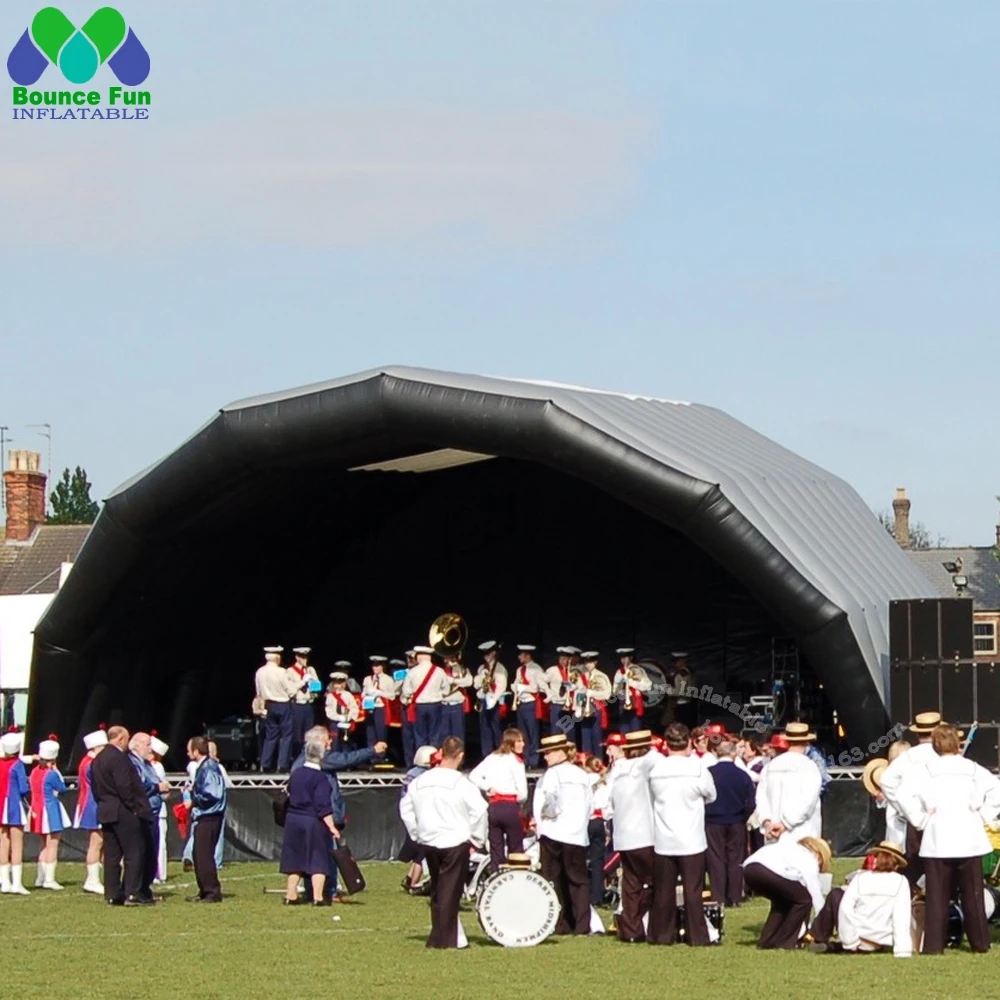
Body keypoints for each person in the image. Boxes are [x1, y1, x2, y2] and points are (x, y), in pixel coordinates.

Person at [898, 722, 1000, 954]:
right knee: (974, 895)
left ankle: (934, 945)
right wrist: (983, 813)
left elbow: (903, 795)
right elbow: (996, 789)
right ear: (958, 743)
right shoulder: (972, 768)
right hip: (969, 839)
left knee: (936, 896)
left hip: (937, 839)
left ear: (935, 745)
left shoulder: (925, 771)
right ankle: (980, 943)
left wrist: (920, 818)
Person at [399, 736, 487, 949]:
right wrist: (476, 838)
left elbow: (406, 809)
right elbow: (479, 811)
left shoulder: (421, 781)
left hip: (429, 839)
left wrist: (417, 834)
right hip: (455, 840)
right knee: (450, 891)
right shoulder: (462, 783)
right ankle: (445, 938)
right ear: (461, 756)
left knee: (439, 889)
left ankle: (445, 935)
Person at [644, 722, 717, 946]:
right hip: (692, 838)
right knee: (693, 892)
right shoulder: (698, 770)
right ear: (688, 744)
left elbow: (651, 799)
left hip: (664, 838)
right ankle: (698, 936)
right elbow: (711, 795)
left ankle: (661, 935)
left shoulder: (656, 771)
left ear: (666, 745)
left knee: (663, 892)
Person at [532, 733, 593, 935]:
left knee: (553, 880)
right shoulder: (582, 775)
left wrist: (546, 815)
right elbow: (589, 805)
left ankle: (559, 923)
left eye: (549, 753)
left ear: (561, 753)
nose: (546, 757)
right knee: (578, 881)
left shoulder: (552, 774)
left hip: (554, 833)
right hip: (577, 834)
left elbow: (549, 801)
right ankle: (582, 924)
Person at [806, 841, 912, 957]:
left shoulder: (860, 878)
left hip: (858, 938)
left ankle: (817, 937)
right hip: (882, 940)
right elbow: (901, 916)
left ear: (876, 859)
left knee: (836, 894)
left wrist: (850, 941)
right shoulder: (901, 882)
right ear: (896, 865)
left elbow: (845, 909)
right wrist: (902, 950)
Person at [877, 710, 944, 886]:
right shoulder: (942, 756)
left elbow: (886, 781)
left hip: (913, 819)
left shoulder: (907, 757)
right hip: (939, 818)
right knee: (938, 867)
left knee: (912, 866)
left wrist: (901, 807)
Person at [90, 725, 153, 906]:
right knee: (134, 851)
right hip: (123, 810)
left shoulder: (98, 759)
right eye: (126, 740)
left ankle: (112, 893)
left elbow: (95, 787)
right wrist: (133, 806)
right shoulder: (118, 758)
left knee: (111, 855)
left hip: (106, 809)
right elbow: (124, 785)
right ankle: (131, 893)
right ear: (120, 739)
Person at [280, 731, 341, 905]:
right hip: (312, 821)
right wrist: (332, 827)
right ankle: (318, 897)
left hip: (293, 819)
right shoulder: (320, 778)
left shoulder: (296, 773)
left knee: (295, 858)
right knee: (318, 858)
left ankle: (290, 895)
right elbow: (323, 806)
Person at [606, 729, 656, 942]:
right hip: (646, 833)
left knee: (631, 885)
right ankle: (652, 924)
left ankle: (630, 929)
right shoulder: (648, 764)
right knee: (657, 881)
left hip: (623, 835)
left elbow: (607, 803)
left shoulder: (618, 769)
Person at [742, 835, 831, 949]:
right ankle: (786, 942)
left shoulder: (791, 849)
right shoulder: (808, 857)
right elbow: (814, 892)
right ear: (818, 854)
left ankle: (767, 942)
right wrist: (823, 920)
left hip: (749, 870)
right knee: (804, 900)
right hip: (765, 869)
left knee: (782, 903)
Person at [469, 727, 528, 872]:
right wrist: (518, 801)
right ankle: (516, 878)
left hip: (494, 808)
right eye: (519, 741)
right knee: (516, 849)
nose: (523, 744)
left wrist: (488, 787)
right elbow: (523, 793)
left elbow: (473, 775)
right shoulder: (516, 762)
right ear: (511, 743)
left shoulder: (492, 757)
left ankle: (495, 878)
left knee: (496, 849)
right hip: (510, 807)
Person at [705, 738, 756, 906]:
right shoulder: (742, 775)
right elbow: (751, 802)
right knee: (736, 859)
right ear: (734, 753)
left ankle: (718, 897)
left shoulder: (708, 773)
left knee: (716, 859)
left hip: (713, 821)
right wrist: (743, 816)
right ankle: (734, 896)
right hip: (736, 821)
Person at [755, 721, 822, 842]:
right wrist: (785, 824)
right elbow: (807, 802)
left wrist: (767, 822)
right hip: (802, 835)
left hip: (773, 834)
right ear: (807, 742)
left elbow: (761, 799)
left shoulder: (769, 767)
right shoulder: (809, 766)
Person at [127, 731, 170, 901]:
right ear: (136, 745)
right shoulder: (134, 763)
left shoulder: (148, 764)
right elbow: (139, 786)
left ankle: (145, 888)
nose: (150, 749)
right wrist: (157, 788)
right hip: (143, 813)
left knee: (152, 852)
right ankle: (138, 889)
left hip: (153, 812)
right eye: (147, 744)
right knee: (142, 852)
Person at [186, 735, 227, 903]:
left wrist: (195, 799)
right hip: (205, 815)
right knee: (198, 854)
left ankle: (212, 891)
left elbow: (213, 793)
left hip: (210, 816)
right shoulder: (204, 766)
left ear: (196, 751)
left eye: (189, 749)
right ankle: (204, 889)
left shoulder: (209, 767)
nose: (187, 753)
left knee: (204, 854)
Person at [29, 736, 70, 890]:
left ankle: (40, 877)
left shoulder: (34, 772)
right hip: (50, 808)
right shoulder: (52, 774)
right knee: (53, 843)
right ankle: (49, 879)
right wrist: (56, 770)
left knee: (43, 845)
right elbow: (62, 788)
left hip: (37, 809)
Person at [399, 745, 437, 894]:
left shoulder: (411, 773)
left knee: (419, 850)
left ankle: (410, 878)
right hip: (421, 815)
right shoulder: (425, 776)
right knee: (423, 851)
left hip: (409, 814)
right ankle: (413, 882)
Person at [74, 726, 108, 895]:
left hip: (90, 803)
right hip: (92, 805)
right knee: (96, 842)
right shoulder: (90, 764)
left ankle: (96, 878)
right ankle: (92, 880)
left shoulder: (86, 762)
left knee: (99, 842)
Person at [255, 645, 296, 772]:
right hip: (282, 704)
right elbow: (291, 691)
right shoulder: (281, 672)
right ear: (277, 657)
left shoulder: (259, 671)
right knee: (286, 735)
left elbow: (258, 691)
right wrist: (301, 683)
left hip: (269, 705)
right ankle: (282, 764)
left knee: (270, 735)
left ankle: (265, 763)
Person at [0, 727, 31, 894]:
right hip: (13, 805)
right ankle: (16, 883)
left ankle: (5, 881)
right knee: (17, 844)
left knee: (3, 843)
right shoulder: (17, 765)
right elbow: (23, 787)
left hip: (0, 805)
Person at [403, 646, 449, 753]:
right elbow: (446, 690)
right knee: (435, 734)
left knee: (420, 735)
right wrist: (437, 694)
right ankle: (434, 760)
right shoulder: (439, 671)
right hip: (435, 705)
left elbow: (406, 691)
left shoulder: (413, 672)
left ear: (419, 657)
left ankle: (421, 761)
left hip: (419, 706)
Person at [583, 755, 611, 908]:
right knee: (597, 861)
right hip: (599, 822)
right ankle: (597, 896)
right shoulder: (605, 783)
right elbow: (609, 807)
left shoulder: (583, 781)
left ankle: (583, 894)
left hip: (586, 820)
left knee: (580, 859)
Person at [510, 645, 545, 767]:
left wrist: (524, 687)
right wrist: (515, 687)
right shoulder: (520, 670)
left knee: (533, 732)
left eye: (521, 655)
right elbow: (515, 682)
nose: (519, 657)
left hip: (531, 703)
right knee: (523, 733)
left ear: (527, 655)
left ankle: (534, 760)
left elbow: (538, 687)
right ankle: (524, 759)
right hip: (521, 703)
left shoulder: (536, 669)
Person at [475, 641, 508, 756]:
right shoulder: (482, 668)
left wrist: (494, 699)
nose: (486, 657)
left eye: (488, 654)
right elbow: (476, 685)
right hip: (484, 699)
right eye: (484, 655)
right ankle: (487, 754)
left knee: (496, 728)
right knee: (484, 728)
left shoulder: (499, 668)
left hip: (494, 701)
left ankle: (500, 753)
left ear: (494, 653)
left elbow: (501, 686)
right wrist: (481, 676)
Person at [575, 653, 612, 758]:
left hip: (596, 706)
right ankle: (587, 760)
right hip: (584, 707)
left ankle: (598, 761)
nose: (588, 665)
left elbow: (607, 694)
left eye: (590, 662)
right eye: (586, 662)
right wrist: (578, 707)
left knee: (597, 736)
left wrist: (593, 694)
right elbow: (579, 693)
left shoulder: (602, 676)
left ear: (595, 662)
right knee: (585, 736)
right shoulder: (581, 677)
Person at [287, 646, 320, 759]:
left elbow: (317, 688)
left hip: (308, 704)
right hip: (297, 705)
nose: (305, 659)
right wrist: (303, 681)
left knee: (308, 734)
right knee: (297, 735)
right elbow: (290, 690)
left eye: (306, 656)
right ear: (297, 657)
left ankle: (307, 757)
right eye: (302, 656)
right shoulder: (290, 671)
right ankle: (295, 757)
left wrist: (313, 685)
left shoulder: (311, 670)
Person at [362, 655, 399, 748]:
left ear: (382, 666)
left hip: (381, 708)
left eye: (377, 666)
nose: (375, 668)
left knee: (381, 732)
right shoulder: (367, 679)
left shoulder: (388, 679)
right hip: (369, 707)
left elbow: (392, 696)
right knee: (370, 733)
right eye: (373, 665)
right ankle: (371, 755)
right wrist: (366, 694)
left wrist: (380, 693)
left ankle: (381, 756)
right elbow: (363, 694)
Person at [613, 649, 651, 734]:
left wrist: (632, 683)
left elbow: (647, 685)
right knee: (624, 731)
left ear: (631, 658)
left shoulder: (638, 670)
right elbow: (615, 690)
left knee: (636, 730)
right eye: (622, 658)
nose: (624, 660)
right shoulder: (619, 671)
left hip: (635, 702)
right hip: (623, 704)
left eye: (626, 657)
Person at [148, 734, 170, 884]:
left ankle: (159, 873)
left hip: (158, 810)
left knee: (160, 843)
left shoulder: (157, 766)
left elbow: (161, 787)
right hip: (151, 809)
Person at [439, 656, 473, 743]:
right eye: (445, 658)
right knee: (444, 734)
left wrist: (454, 680)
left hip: (457, 705)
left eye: (449, 658)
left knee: (458, 734)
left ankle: (459, 755)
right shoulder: (440, 671)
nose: (447, 661)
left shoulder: (462, 670)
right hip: (444, 704)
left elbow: (469, 682)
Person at [543, 647, 575, 737]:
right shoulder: (552, 670)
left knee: (570, 731)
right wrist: (548, 692)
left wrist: (573, 687)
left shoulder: (573, 672)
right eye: (560, 658)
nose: (562, 661)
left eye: (565, 659)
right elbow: (541, 680)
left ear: (569, 659)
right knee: (556, 731)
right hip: (556, 704)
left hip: (569, 706)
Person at [325, 671, 360, 749]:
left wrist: (348, 717)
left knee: (346, 742)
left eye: (340, 683)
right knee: (335, 742)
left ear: (344, 684)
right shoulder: (330, 696)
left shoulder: (348, 695)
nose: (338, 686)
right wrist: (339, 717)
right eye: (336, 683)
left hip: (346, 723)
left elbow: (354, 709)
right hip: (334, 723)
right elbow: (329, 711)